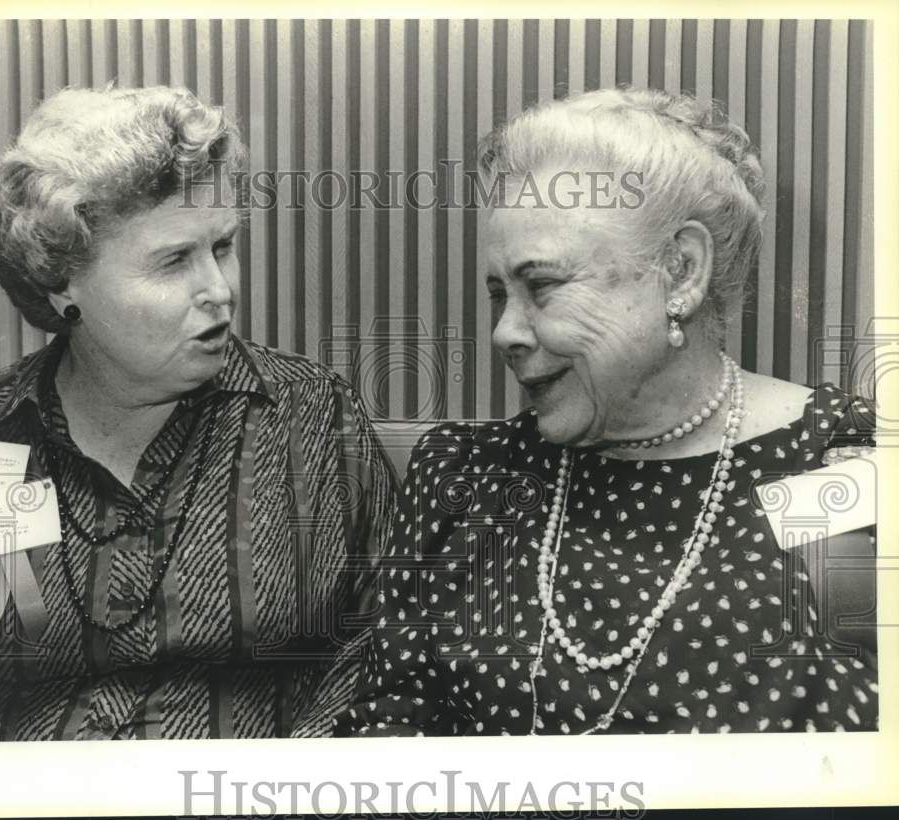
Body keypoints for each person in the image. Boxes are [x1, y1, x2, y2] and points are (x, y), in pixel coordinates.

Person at [334, 88, 877, 736]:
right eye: (499, 294)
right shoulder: (467, 480)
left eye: (542, 287)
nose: (505, 331)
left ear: (681, 272)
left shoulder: (828, 463)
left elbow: (866, 743)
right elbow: (388, 731)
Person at [0, 85, 397, 741]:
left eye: (222, 248)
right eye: (174, 261)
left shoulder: (308, 416)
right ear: (63, 282)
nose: (219, 289)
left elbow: (379, 656)